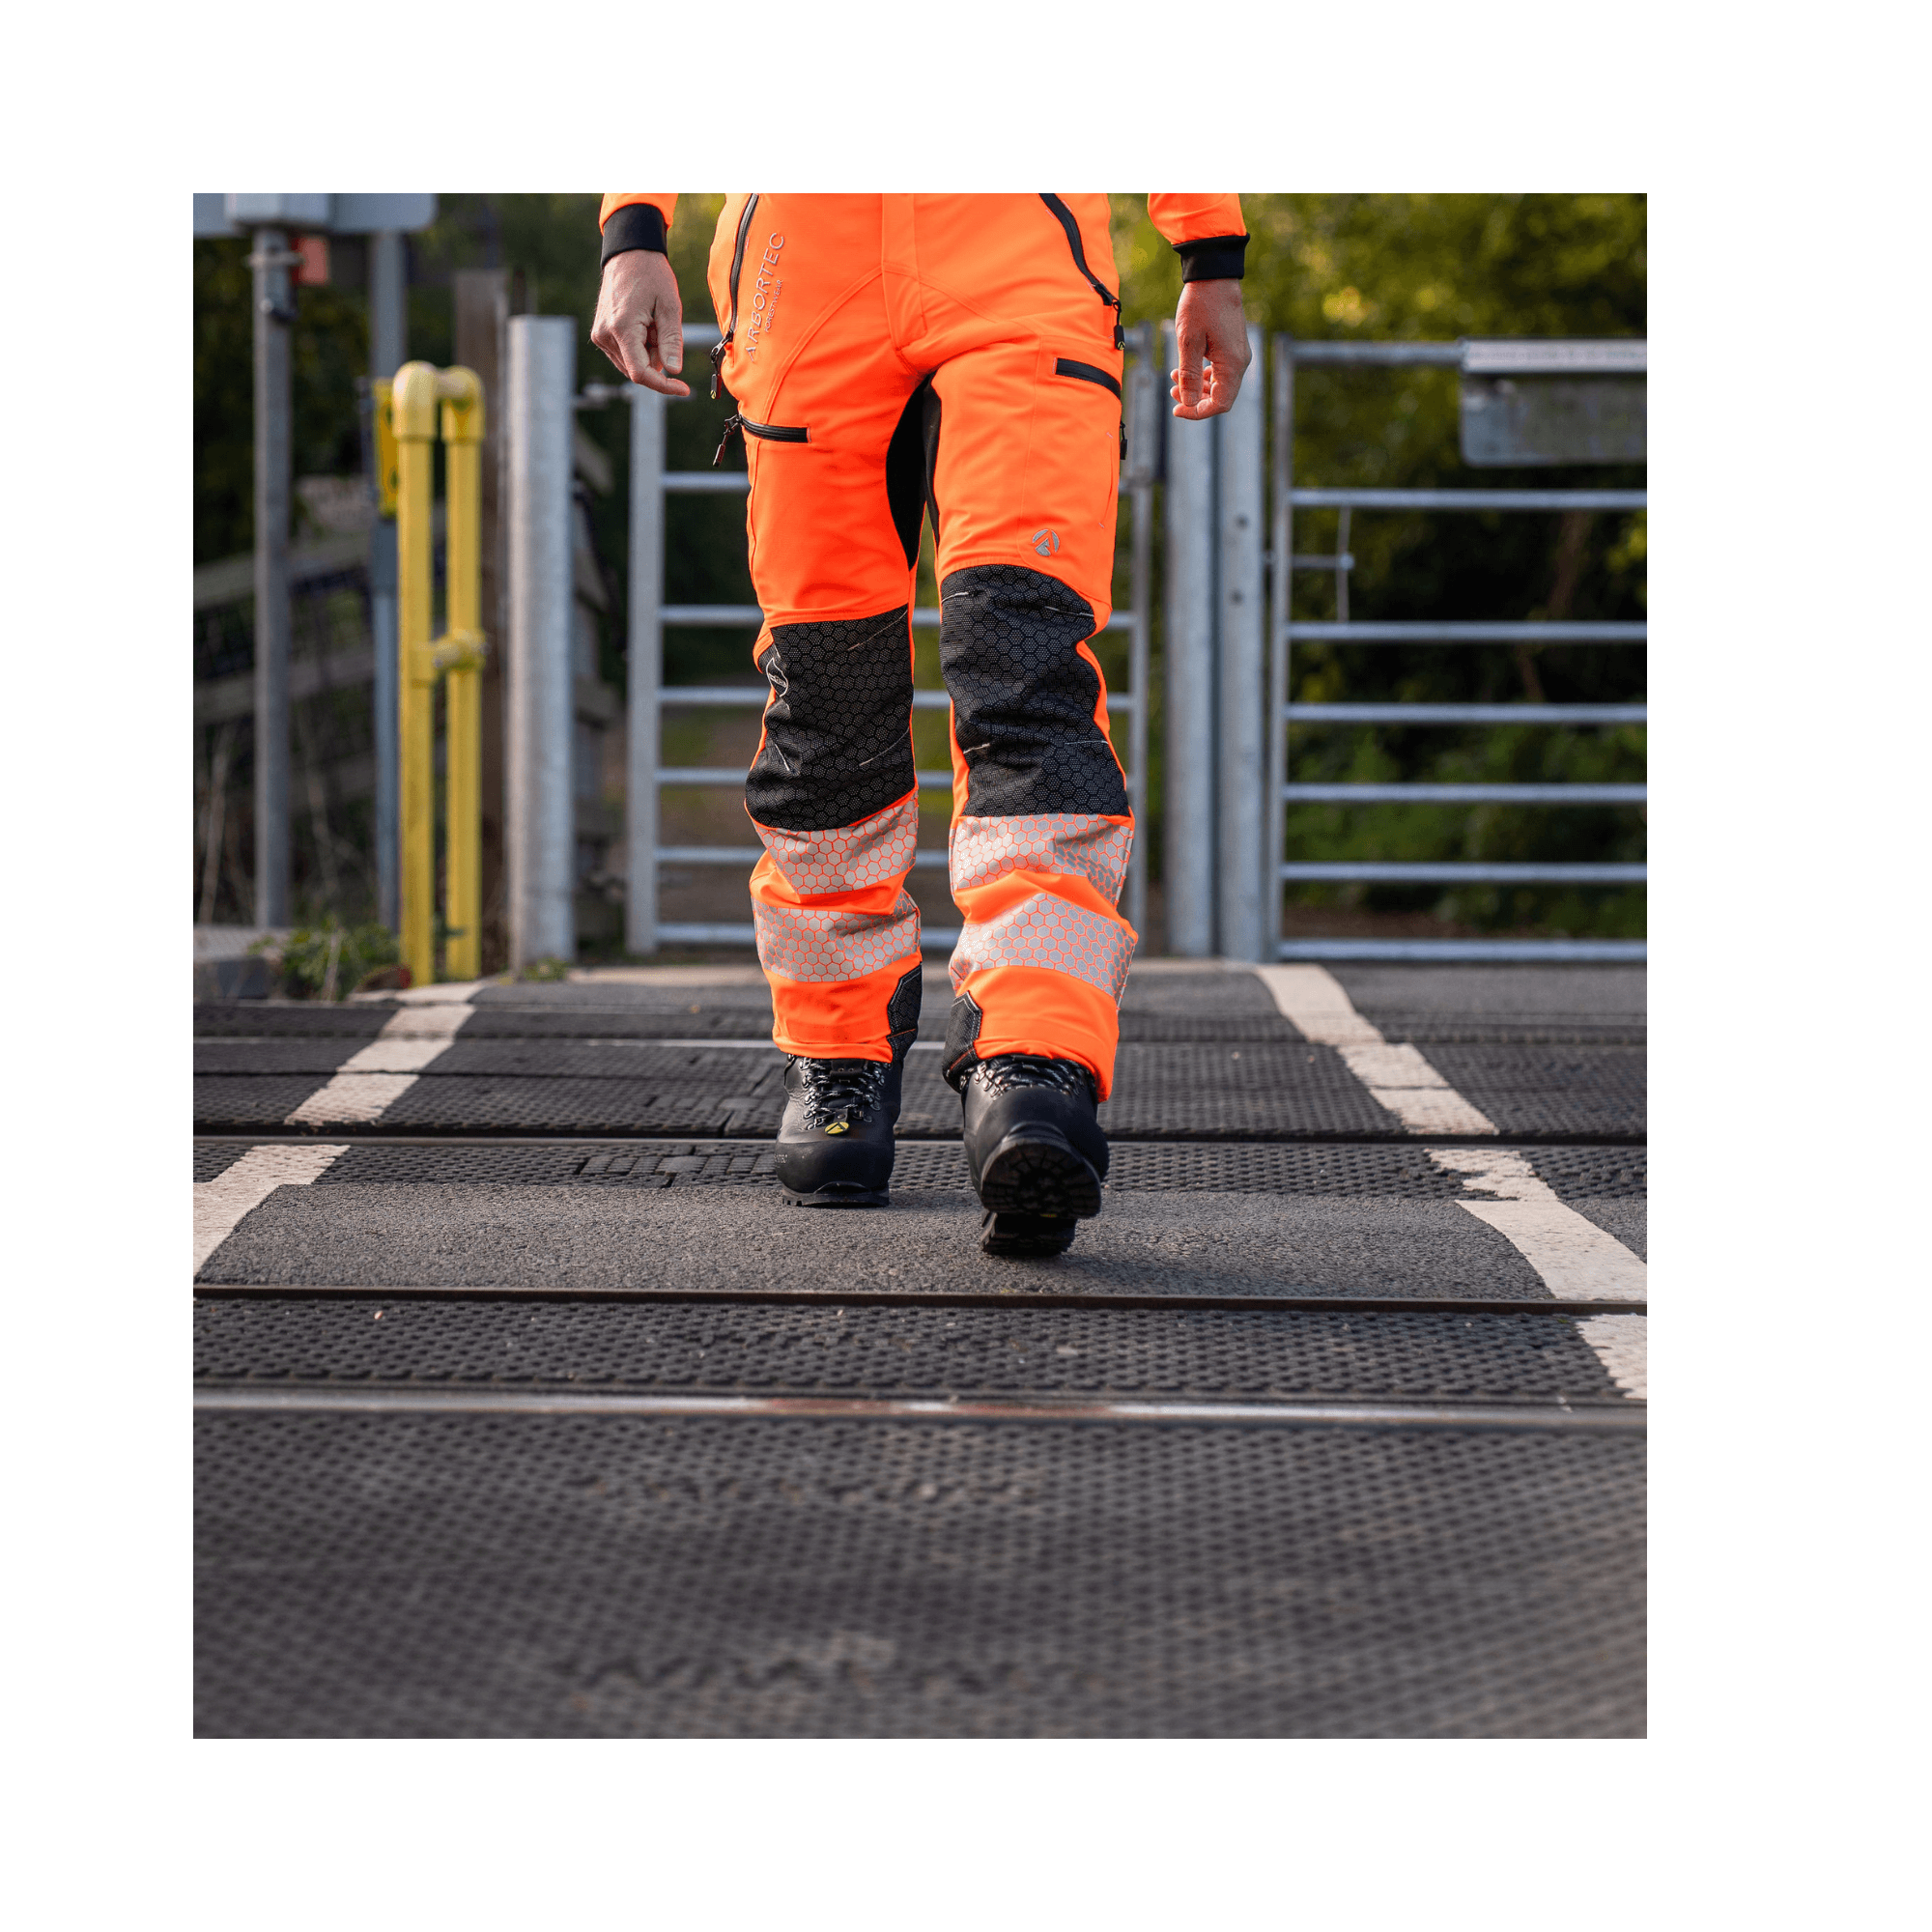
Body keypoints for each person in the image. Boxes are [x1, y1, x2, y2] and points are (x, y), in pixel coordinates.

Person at [592, 194, 1251, 1256]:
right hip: (802, 271)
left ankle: (1034, 1057)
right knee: (824, 702)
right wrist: (633, 228)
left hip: (1016, 252)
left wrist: (1207, 248)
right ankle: (839, 1055)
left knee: (1025, 668)